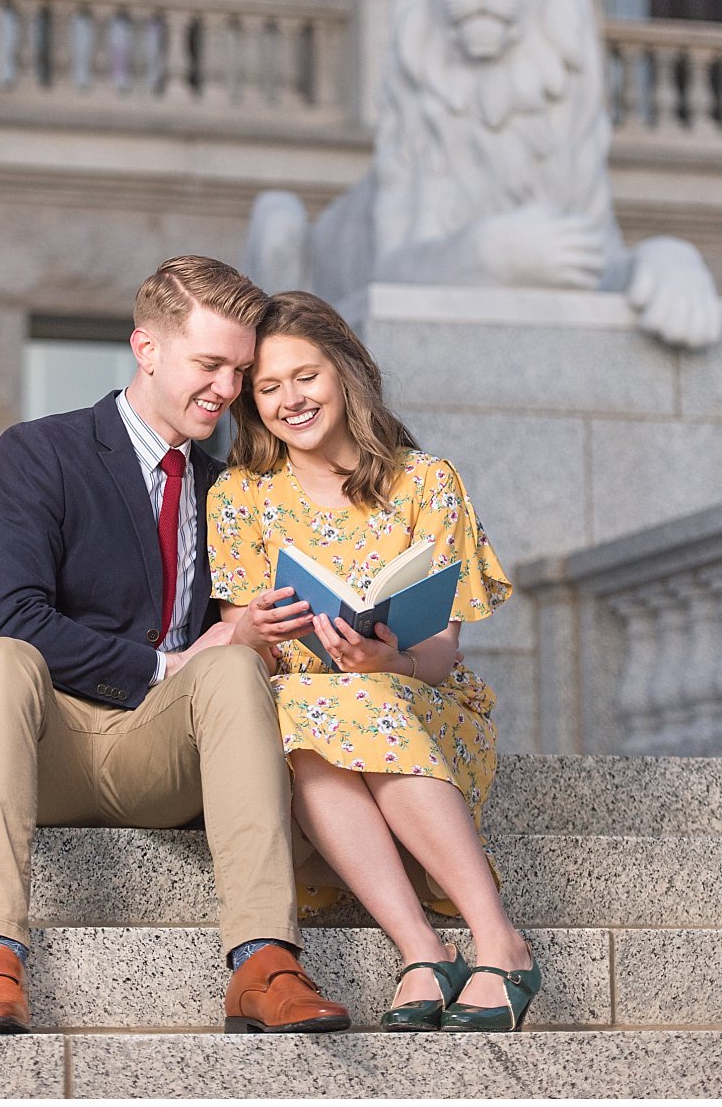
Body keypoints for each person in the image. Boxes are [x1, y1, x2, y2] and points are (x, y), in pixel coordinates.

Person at [0, 256, 349, 1035]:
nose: (226, 389)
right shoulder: (38, 453)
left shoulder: (233, 490)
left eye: (240, 371)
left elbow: (239, 647)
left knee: (239, 666)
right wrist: (173, 662)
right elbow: (12, 617)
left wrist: (257, 634)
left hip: (167, 756)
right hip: (47, 747)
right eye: (209, 364)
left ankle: (264, 961)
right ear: (147, 348)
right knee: (0, 660)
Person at [208, 290, 540, 1032]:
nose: (290, 399)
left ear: (345, 371)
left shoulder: (428, 483)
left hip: (422, 707)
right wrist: (256, 626)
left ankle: (500, 940)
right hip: (302, 720)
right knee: (299, 713)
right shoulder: (239, 498)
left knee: (359, 700)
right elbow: (240, 642)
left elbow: (443, 651)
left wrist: (388, 659)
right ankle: (421, 947)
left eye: (305, 376)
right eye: (268, 388)